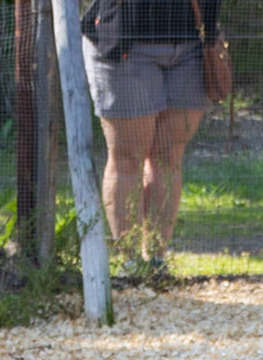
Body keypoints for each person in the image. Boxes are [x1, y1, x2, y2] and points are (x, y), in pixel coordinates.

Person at [80, 0, 221, 274]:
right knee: (128, 158)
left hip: (191, 40)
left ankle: (157, 262)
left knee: (168, 158)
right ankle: (130, 264)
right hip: (124, 41)